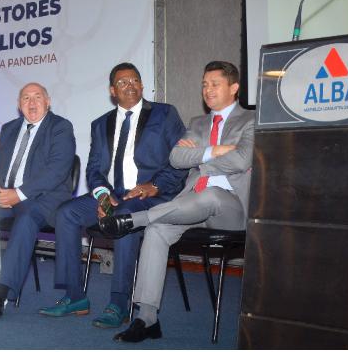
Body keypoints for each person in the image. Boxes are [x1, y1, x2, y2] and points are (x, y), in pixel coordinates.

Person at [100, 61, 255, 342]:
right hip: (191, 205)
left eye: (215, 84)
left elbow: (243, 160)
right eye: (204, 84)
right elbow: (176, 158)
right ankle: (146, 318)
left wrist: (199, 158)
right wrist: (216, 151)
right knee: (157, 231)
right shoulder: (198, 123)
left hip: (231, 208)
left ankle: (134, 220)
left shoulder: (252, 120)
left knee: (210, 195)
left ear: (234, 88)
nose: (207, 90)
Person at [39, 62, 186, 328]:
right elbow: (94, 169)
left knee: (123, 217)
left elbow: (181, 159)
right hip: (114, 194)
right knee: (66, 213)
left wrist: (155, 185)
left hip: (150, 195)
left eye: (134, 80)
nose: (129, 85)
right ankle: (74, 296)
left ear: (142, 85)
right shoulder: (100, 124)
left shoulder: (165, 114)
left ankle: (119, 302)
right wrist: (103, 195)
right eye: (122, 82)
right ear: (112, 91)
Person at [0, 83, 76, 318]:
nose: (32, 103)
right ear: (18, 104)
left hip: (43, 199)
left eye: (37, 97)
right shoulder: (9, 128)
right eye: (26, 98)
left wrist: (19, 194)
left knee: (25, 218)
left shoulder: (60, 127)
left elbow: (57, 171)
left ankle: (1, 291)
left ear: (48, 101)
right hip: (7, 197)